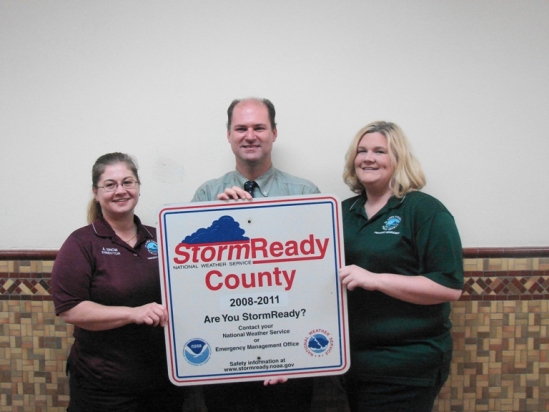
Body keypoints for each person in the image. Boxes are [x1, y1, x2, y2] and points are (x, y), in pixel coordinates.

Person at [191, 97, 320, 411]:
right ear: (229, 135)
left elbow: (314, 281)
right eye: (241, 128)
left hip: (290, 362)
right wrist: (219, 222)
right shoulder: (207, 195)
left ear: (274, 132)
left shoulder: (305, 194)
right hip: (225, 361)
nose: (250, 135)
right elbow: (192, 281)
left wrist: (289, 354)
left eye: (259, 127)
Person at [339, 121, 464, 412]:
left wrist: (377, 279)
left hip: (406, 365)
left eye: (380, 151)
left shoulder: (425, 210)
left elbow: (449, 286)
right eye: (362, 150)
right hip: (355, 364)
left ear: (399, 159)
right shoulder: (342, 212)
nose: (368, 158)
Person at [51, 153, 186, 412]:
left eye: (128, 182)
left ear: (138, 187)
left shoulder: (161, 236)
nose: (120, 190)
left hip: (162, 383)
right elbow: (70, 309)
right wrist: (133, 314)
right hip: (103, 389)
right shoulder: (82, 243)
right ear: (96, 192)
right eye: (110, 184)